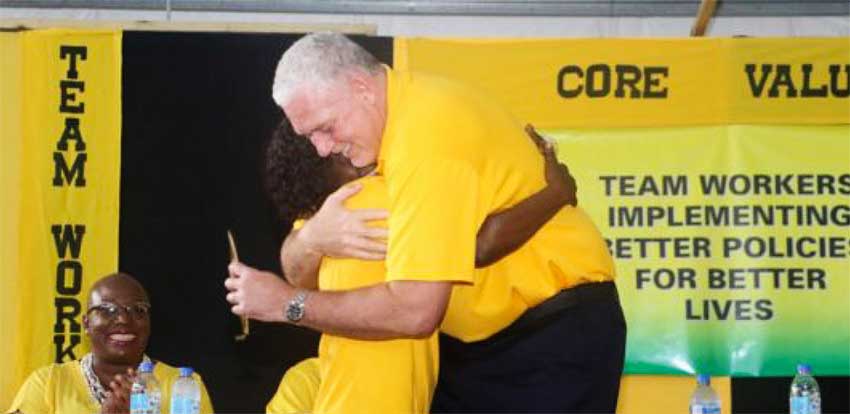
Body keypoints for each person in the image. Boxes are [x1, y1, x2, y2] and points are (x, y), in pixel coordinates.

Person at [226, 32, 625, 412]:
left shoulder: (427, 139)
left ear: (362, 88)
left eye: (326, 128)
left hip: (550, 334)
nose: (323, 147)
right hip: (471, 348)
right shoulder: (365, 169)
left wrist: (287, 306)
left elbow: (417, 310)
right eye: (310, 136)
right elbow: (299, 267)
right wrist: (314, 237)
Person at [261, 118, 577, 414]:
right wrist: (554, 193)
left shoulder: (333, 214)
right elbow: (480, 246)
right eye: (339, 145)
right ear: (333, 161)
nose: (355, 148)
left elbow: (295, 264)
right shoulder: (369, 204)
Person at [7, 272, 214, 414]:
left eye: (138, 310)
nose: (124, 319)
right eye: (107, 309)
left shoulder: (184, 385)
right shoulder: (49, 383)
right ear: (86, 324)